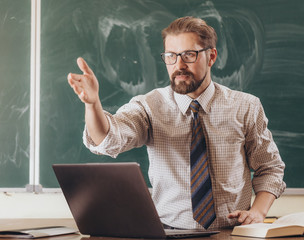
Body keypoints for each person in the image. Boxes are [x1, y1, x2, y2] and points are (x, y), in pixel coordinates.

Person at [67, 16, 286, 230]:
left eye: (189, 55)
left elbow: (269, 168)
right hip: (169, 232)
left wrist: (257, 212)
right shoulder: (148, 106)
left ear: (211, 57)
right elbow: (108, 139)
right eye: (171, 56)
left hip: (231, 232)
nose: (179, 65)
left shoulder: (246, 106)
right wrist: (92, 104)